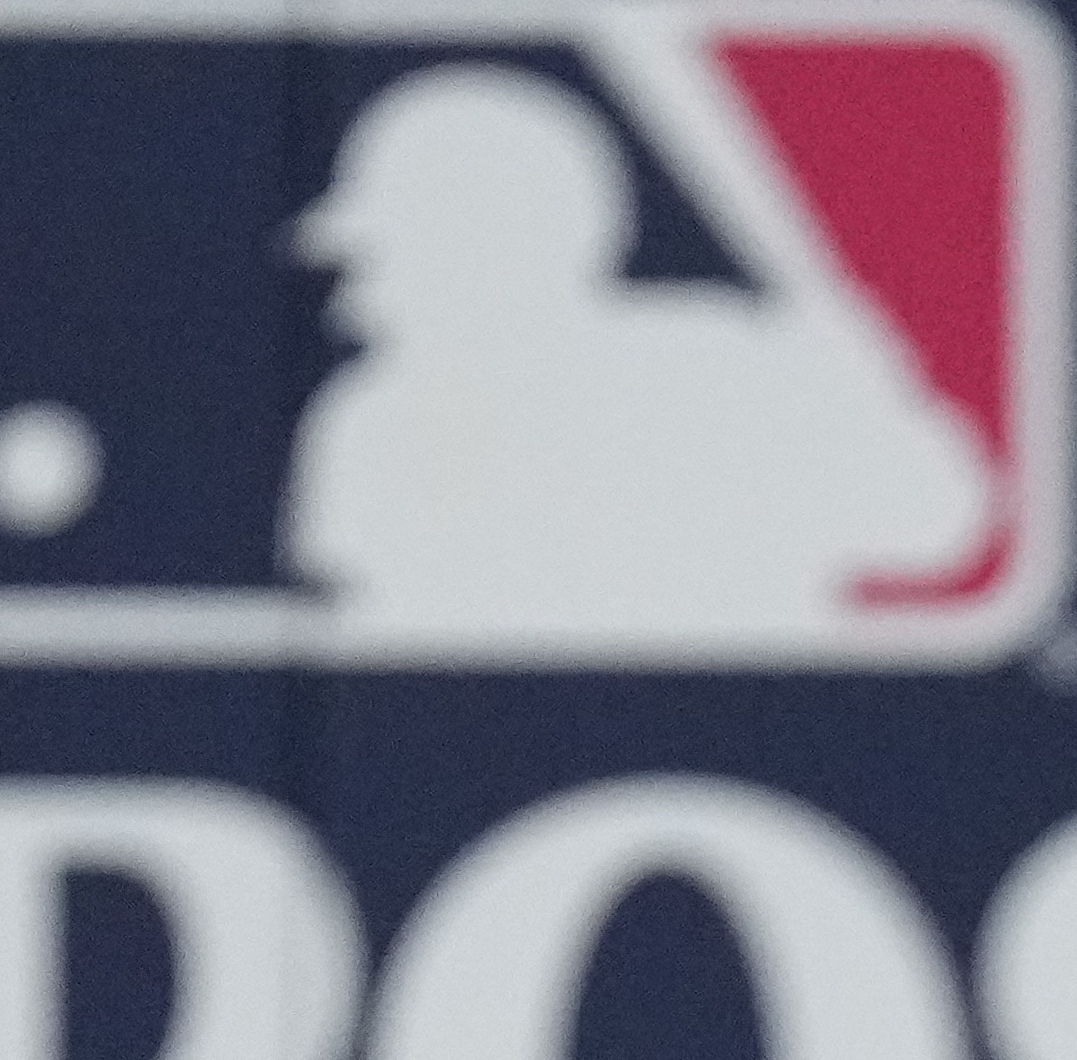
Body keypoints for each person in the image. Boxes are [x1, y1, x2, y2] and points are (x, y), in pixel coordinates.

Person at [286, 62, 990, 653]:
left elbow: (937, 521)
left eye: (385, 253)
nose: (355, 283)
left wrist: (858, 392)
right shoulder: (375, 417)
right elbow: (366, 628)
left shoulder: (727, 374)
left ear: (486, 247)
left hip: (752, 744)